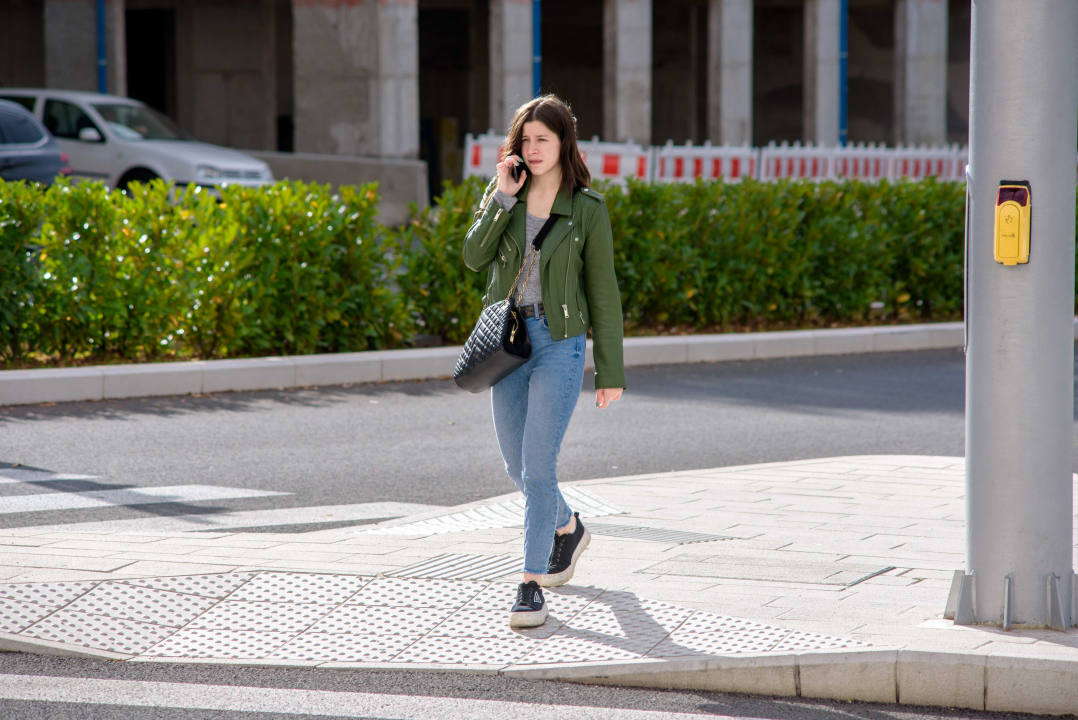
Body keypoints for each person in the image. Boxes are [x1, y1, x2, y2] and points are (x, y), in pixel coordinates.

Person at [461, 95, 626, 627]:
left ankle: (530, 584)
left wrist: (610, 371)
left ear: (563, 144)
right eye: (524, 140)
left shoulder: (587, 210)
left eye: (543, 140)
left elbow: (604, 294)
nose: (532, 150)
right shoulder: (504, 194)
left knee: (538, 466)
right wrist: (501, 202)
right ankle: (567, 527)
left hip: (560, 343)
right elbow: (472, 257)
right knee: (517, 466)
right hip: (509, 341)